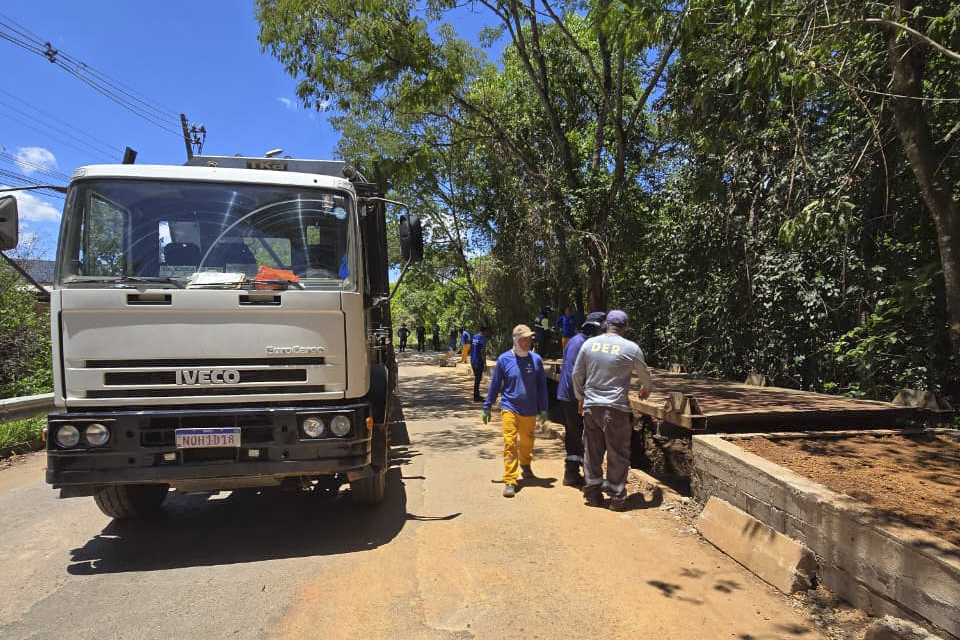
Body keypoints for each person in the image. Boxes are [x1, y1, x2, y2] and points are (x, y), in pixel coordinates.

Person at [572, 310, 652, 511]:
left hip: (591, 407)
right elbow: (645, 375)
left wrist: (580, 397)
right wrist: (645, 389)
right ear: (624, 327)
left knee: (592, 450)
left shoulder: (589, 344)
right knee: (617, 452)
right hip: (615, 408)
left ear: (605, 325)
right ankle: (616, 498)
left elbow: (576, 373)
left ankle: (592, 494)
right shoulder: (631, 348)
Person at [482, 324, 549, 498]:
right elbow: (495, 384)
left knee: (527, 442)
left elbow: (542, 387)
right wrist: (487, 406)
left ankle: (525, 464)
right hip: (509, 406)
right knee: (510, 442)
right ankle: (510, 479)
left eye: (529, 339)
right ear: (516, 340)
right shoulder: (504, 360)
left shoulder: (536, 360)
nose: (528, 342)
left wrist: (544, 409)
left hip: (529, 409)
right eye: (524, 339)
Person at [556, 311, 606, 487]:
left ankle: (571, 473)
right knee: (588, 436)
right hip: (575, 397)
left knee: (573, 435)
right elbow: (575, 374)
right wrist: (581, 398)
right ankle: (591, 479)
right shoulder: (584, 344)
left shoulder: (575, 341)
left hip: (566, 395)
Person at [470, 326, 488, 401]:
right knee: (478, 379)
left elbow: (472, 347)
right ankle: (476, 397)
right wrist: (484, 363)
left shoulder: (474, 337)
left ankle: (476, 395)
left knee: (477, 379)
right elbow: (482, 352)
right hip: (478, 361)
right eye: (487, 331)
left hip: (473, 361)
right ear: (484, 331)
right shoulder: (482, 339)